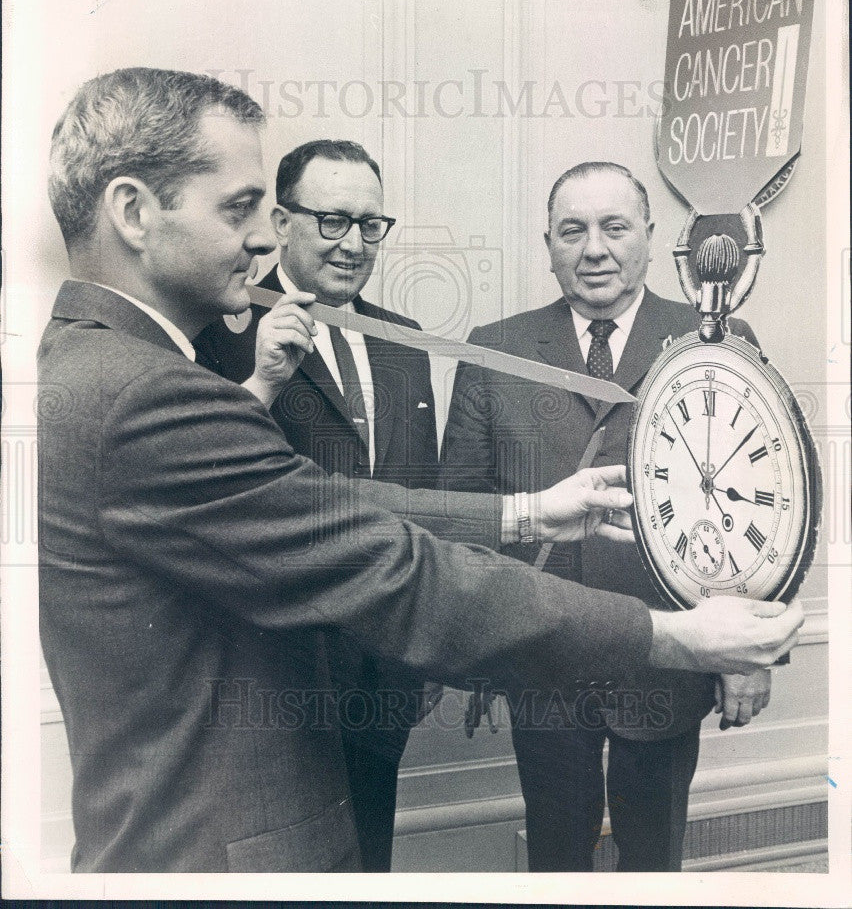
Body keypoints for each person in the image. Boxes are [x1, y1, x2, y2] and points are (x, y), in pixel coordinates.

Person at [38, 70, 801, 873]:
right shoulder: (144, 393)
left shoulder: (109, 367)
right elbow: (384, 561)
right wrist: (668, 635)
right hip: (221, 854)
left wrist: (523, 516)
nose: (263, 240)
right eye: (240, 210)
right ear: (130, 211)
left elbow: (329, 505)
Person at [441, 161, 771, 872]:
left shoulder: (713, 334)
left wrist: (748, 650)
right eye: (573, 230)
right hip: (543, 659)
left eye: (614, 227)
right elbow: (462, 515)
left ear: (650, 239)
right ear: (550, 244)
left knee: (655, 863)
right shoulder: (494, 350)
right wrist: (479, 657)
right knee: (556, 862)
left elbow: (760, 499)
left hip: (668, 660)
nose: (594, 249)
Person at [195, 139, 442, 871]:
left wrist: (423, 653)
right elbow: (209, 498)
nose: (353, 243)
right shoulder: (218, 338)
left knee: (372, 865)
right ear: (282, 221)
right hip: (276, 683)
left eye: (370, 225)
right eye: (332, 221)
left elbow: (419, 502)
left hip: (387, 671)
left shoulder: (405, 342)